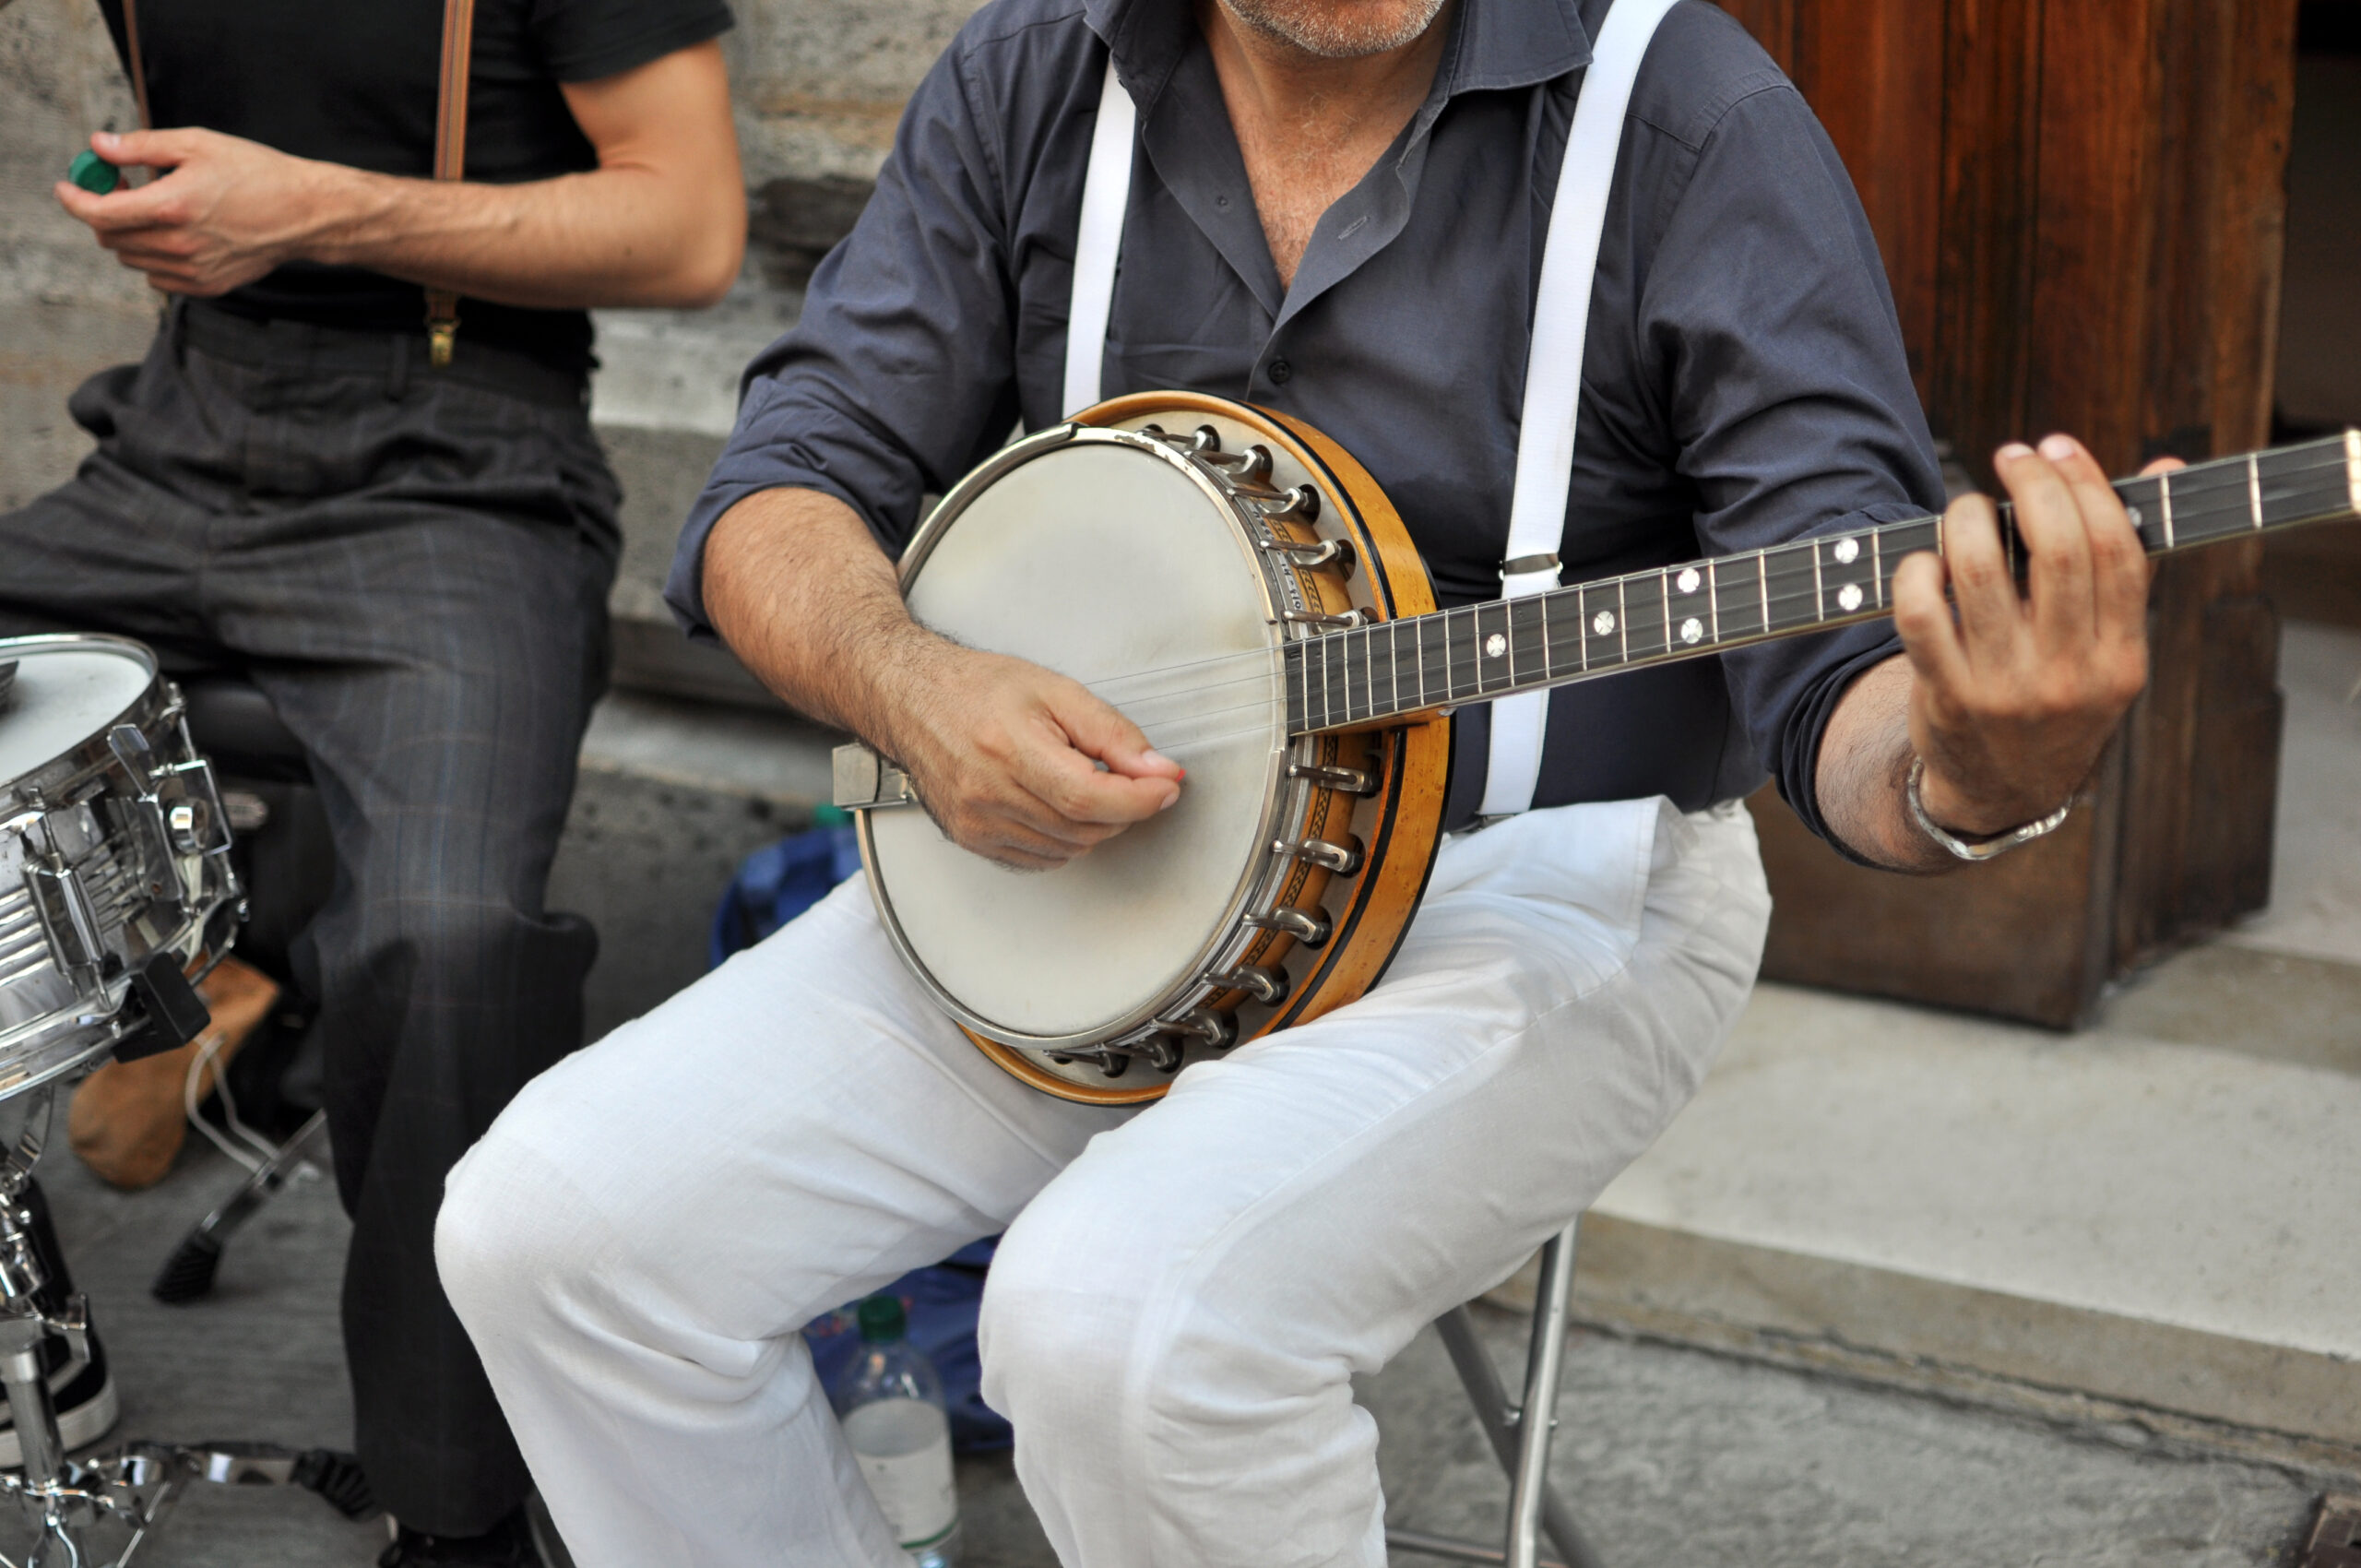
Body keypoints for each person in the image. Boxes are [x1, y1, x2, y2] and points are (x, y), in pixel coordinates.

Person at [435, 0, 2154, 1562]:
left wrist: (1983, 765)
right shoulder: (1033, 76)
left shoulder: (1688, 119)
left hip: (1534, 886)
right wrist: (915, 686)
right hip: (1094, 860)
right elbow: (779, 489)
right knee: (557, 1233)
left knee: (1119, 1328)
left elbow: (1843, 703)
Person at [0, 0, 744, 1561]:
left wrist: (313, 209)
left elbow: (688, 227)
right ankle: (42, 1307)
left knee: (449, 944)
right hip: (176, 430)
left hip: (460, 460)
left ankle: (459, 1507)